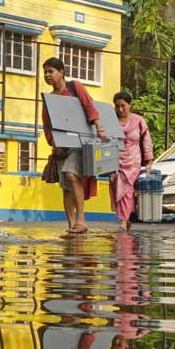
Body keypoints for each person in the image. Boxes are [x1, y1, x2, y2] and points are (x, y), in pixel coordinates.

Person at [41, 57, 106, 237]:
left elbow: (89, 106)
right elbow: (47, 125)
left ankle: (82, 219)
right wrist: (54, 145)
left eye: (50, 71)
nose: (47, 75)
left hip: (80, 143)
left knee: (71, 174)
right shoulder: (48, 99)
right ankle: (71, 224)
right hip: (61, 147)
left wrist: (99, 128)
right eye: (45, 72)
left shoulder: (75, 87)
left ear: (61, 72)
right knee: (66, 184)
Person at [111, 92, 154, 231]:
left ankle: (123, 221)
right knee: (118, 189)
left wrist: (149, 161)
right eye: (117, 106)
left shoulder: (138, 121)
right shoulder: (110, 120)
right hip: (116, 161)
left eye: (123, 106)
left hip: (133, 161)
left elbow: (146, 141)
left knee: (128, 190)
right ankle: (126, 218)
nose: (120, 109)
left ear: (130, 105)